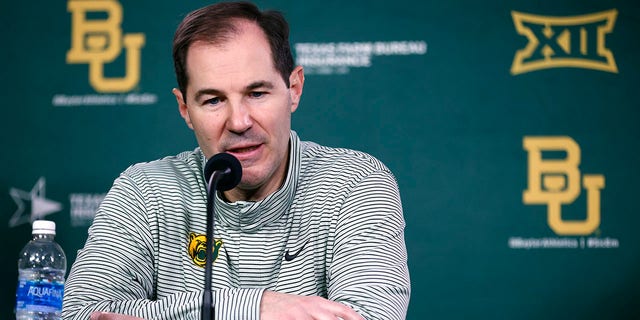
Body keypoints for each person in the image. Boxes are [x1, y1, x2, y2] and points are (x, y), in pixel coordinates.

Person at [62, 1, 410, 319]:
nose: (239, 121)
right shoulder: (144, 191)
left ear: (294, 89)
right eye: (213, 100)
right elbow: (81, 313)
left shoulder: (356, 183)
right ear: (185, 109)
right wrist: (258, 307)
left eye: (256, 93)